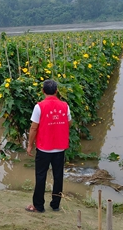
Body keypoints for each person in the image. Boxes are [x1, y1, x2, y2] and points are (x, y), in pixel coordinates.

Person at [25, 80, 72, 213]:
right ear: (56, 91)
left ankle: (38, 206)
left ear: (43, 91)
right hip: (60, 148)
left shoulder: (39, 107)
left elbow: (34, 128)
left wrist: (29, 145)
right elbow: (69, 123)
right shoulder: (65, 106)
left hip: (44, 148)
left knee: (41, 176)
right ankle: (55, 204)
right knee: (58, 177)